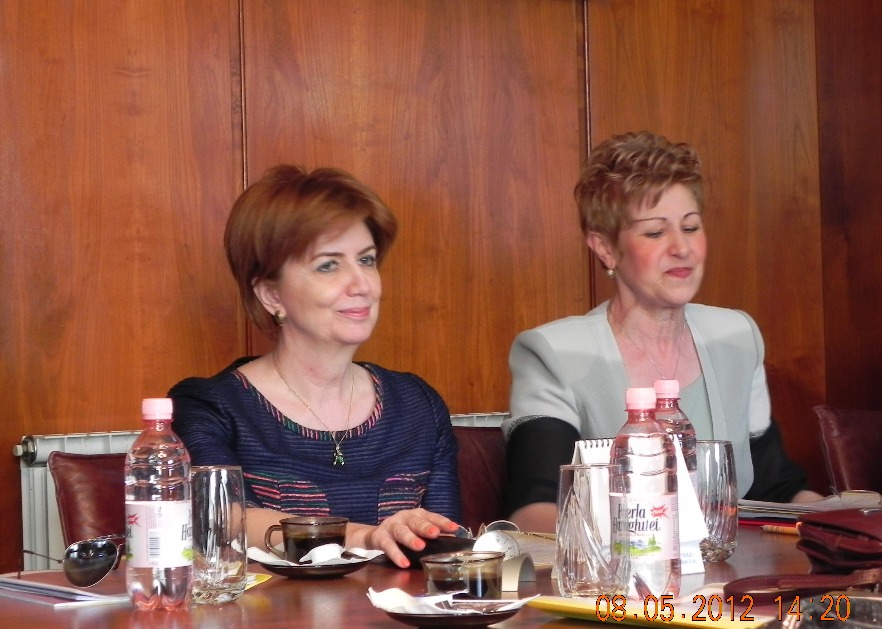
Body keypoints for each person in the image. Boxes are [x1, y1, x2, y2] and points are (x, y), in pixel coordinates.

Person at [503, 131, 822, 533]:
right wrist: (648, 542)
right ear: (605, 248)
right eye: (655, 232)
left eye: (691, 227)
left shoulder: (737, 336)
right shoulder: (555, 353)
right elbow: (533, 512)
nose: (681, 248)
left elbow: (776, 488)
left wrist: (843, 520)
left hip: (734, 570)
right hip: (621, 572)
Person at [170, 164, 462, 567]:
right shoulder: (210, 405)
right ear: (271, 294)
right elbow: (218, 520)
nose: (362, 284)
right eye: (329, 265)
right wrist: (362, 536)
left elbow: (445, 549)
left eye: (367, 260)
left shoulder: (418, 404)